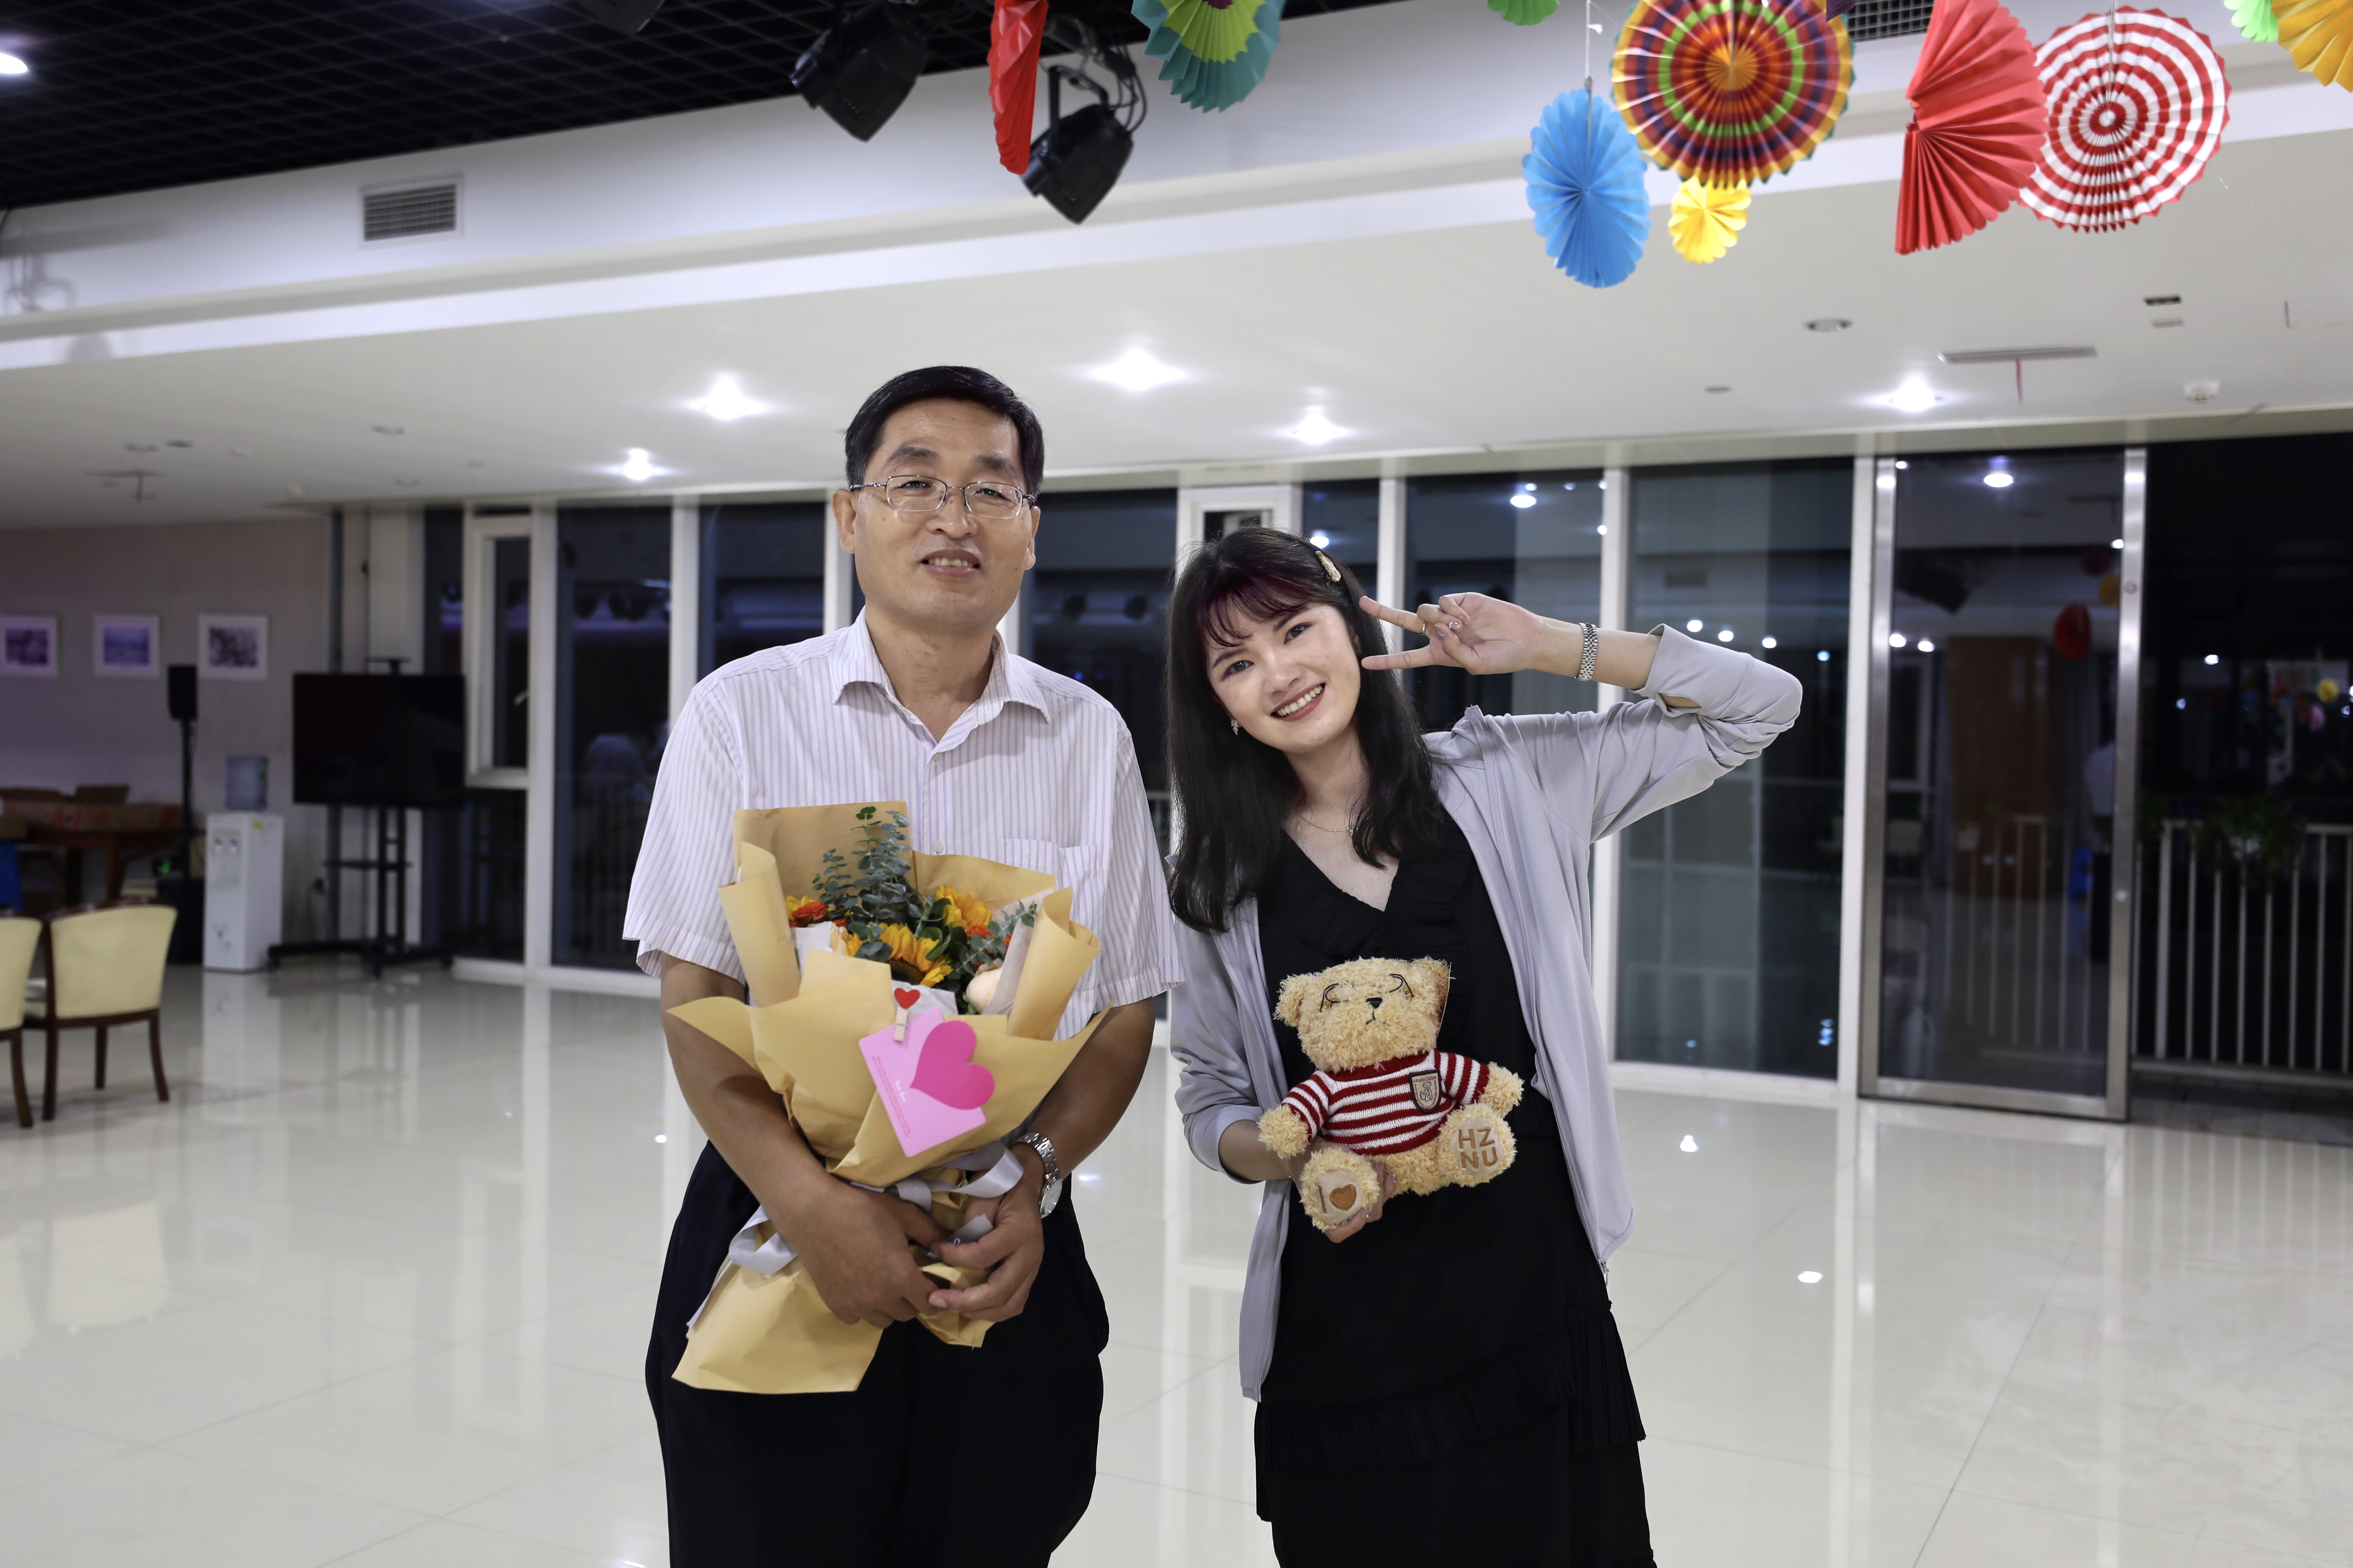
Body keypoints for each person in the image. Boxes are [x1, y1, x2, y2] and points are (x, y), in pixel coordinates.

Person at [623, 366, 1181, 1566]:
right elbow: (695, 997)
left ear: (1031, 529)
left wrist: (1032, 1174)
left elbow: (1126, 1010)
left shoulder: (1088, 738)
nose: (953, 516)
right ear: (849, 515)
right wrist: (812, 1203)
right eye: (915, 482)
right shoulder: (740, 714)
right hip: (776, 1211)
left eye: (992, 489)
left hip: (1001, 1231)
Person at [1164, 527, 1802, 1566]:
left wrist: (1550, 645)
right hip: (1346, 1325)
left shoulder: (1508, 776)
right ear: (1218, 705)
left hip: (1529, 1292)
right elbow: (1207, 1097)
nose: (1278, 674)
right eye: (1236, 663)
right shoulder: (1217, 882)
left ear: (1353, 626)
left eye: (1295, 630)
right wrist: (1289, 1148)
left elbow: (1760, 706)